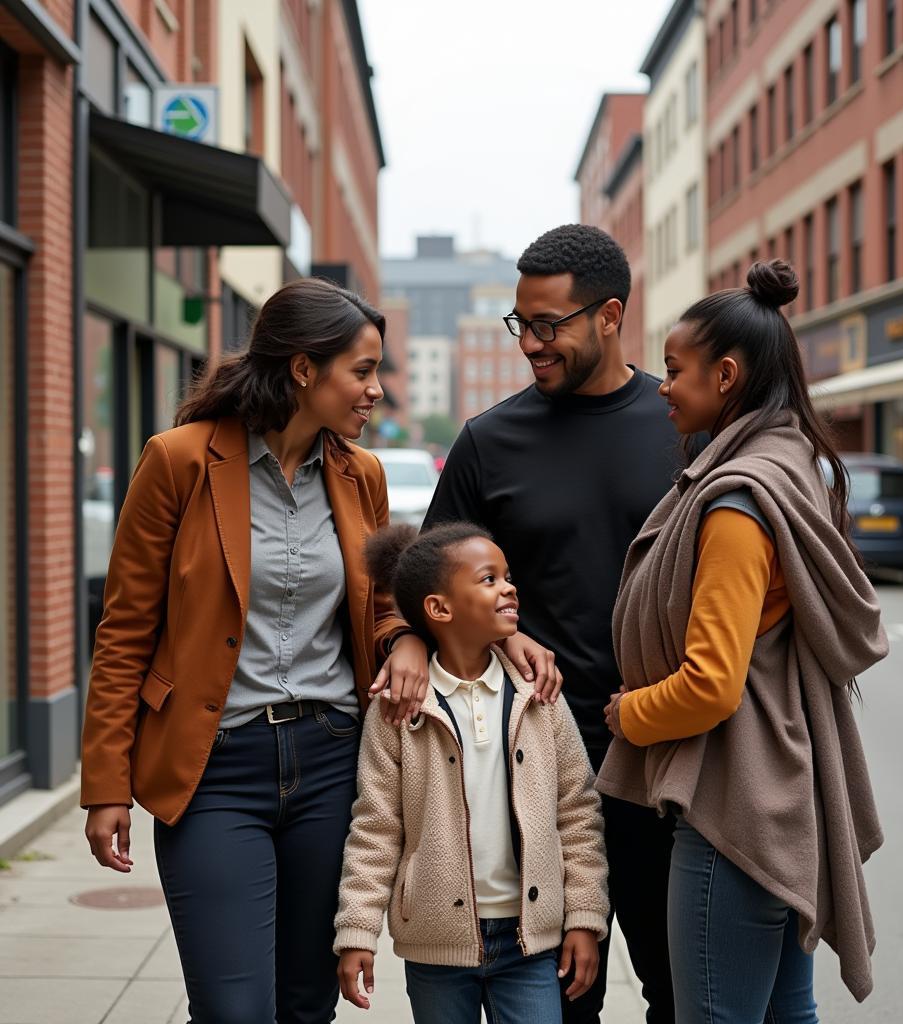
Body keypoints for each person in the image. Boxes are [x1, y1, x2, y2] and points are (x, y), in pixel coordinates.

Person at [80, 279, 430, 1024]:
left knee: (306, 1003)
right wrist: (106, 782)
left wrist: (402, 639)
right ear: (304, 370)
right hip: (214, 768)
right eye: (361, 372)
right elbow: (125, 631)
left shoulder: (359, 475)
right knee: (233, 1008)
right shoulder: (178, 461)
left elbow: (378, 599)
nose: (375, 391)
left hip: (333, 760)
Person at [600, 260, 888, 1024]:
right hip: (785, 798)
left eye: (674, 371)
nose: (662, 386)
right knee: (788, 1013)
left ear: (725, 376)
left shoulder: (735, 503)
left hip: (733, 810)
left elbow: (710, 685)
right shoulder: (793, 465)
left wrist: (630, 716)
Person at [422, 223, 680, 1022]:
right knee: (561, 1004)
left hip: (672, 761)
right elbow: (425, 585)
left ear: (610, 316)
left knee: (687, 994)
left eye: (547, 325)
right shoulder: (488, 441)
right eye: (520, 324)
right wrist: (484, 634)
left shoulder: (686, 430)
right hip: (537, 768)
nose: (530, 344)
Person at [334, 522, 609, 1024]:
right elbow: (375, 828)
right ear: (440, 609)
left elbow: (578, 811)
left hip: (530, 943)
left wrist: (586, 917)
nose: (509, 586)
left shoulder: (538, 695)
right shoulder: (398, 709)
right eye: (489, 579)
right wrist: (357, 931)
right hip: (436, 946)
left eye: (507, 576)